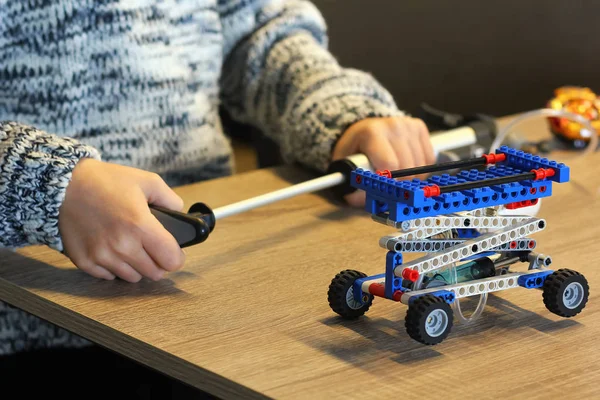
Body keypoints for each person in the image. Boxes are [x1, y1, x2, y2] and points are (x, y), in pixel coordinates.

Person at [0, 0, 433, 365]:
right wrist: (42, 184)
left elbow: (256, 31)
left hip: (205, 312)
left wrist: (340, 114)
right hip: (31, 326)